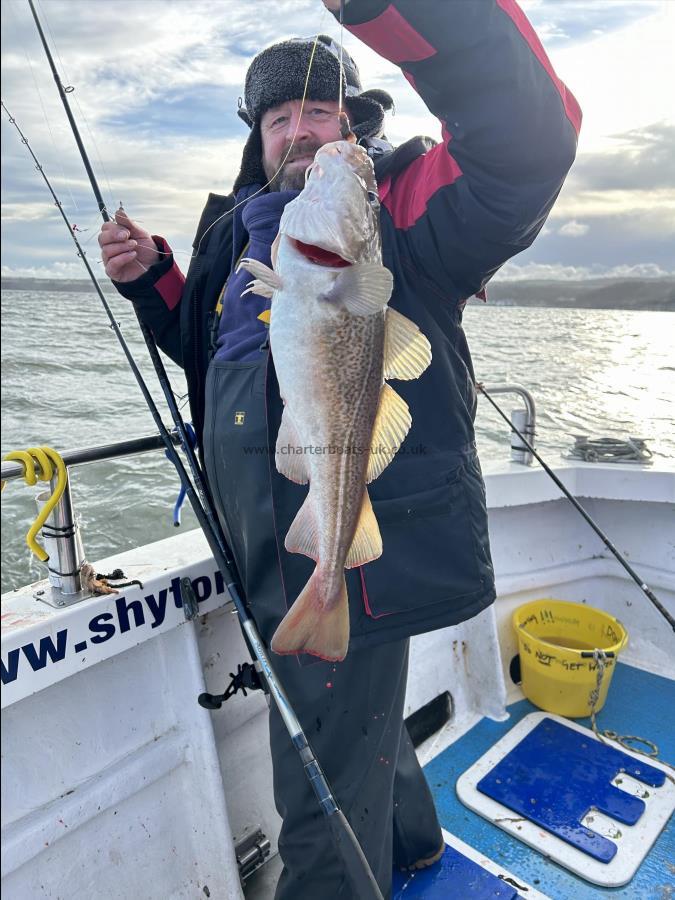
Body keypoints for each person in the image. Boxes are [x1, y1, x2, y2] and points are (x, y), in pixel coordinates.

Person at [99, 1, 580, 896]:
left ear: (352, 124)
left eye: (316, 111)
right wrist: (154, 281)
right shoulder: (236, 230)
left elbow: (527, 142)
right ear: (258, 136)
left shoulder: (392, 205)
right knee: (357, 721)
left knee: (316, 781)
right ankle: (412, 845)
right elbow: (216, 362)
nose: (296, 128)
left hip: (347, 541)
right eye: (277, 117)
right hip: (265, 537)